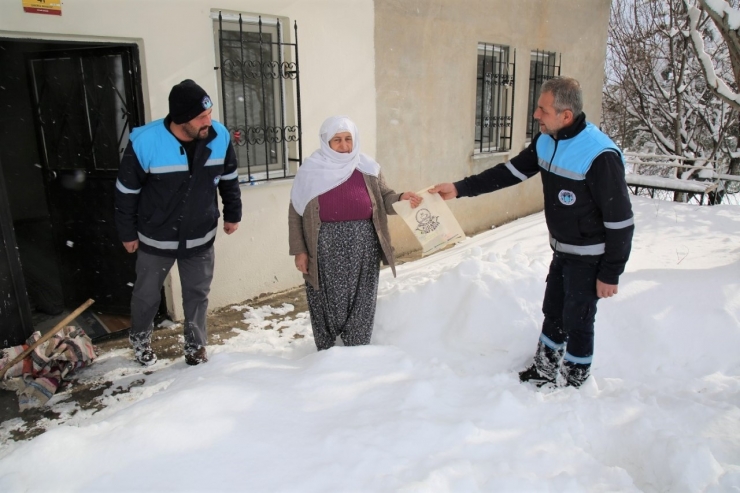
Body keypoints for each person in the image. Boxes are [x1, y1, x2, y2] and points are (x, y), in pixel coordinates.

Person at [430, 77, 634, 388]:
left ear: (565, 115)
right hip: (563, 252)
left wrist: (611, 273)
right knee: (553, 311)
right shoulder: (546, 141)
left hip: (590, 257)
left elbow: (620, 221)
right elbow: (509, 173)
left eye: (543, 109)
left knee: (578, 322)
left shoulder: (599, 155)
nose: (536, 115)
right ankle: (544, 369)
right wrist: (459, 189)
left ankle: (573, 383)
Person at [115, 79, 242, 367]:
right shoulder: (145, 142)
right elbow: (126, 193)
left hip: (200, 234)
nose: (209, 121)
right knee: (147, 296)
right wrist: (127, 232)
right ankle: (140, 338)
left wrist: (233, 213)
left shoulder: (218, 135)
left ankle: (196, 346)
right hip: (155, 237)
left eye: (209, 114)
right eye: (201, 117)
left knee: (197, 295)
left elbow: (229, 178)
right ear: (181, 119)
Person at [288, 116, 422, 350]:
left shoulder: (368, 168)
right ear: (325, 142)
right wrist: (299, 250)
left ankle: (357, 347)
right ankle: (328, 349)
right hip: (323, 244)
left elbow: (385, 198)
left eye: (348, 139)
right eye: (337, 140)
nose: (344, 145)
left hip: (364, 242)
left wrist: (401, 199)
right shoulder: (310, 171)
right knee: (326, 296)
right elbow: (295, 214)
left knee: (363, 294)